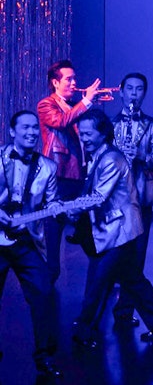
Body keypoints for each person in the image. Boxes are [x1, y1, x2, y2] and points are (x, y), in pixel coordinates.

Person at [68, 109, 153, 348]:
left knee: (99, 280)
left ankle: (84, 330)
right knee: (131, 278)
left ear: (103, 133)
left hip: (118, 231)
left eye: (87, 133)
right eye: (80, 133)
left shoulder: (111, 159)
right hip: (113, 229)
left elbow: (98, 197)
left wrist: (69, 208)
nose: (83, 138)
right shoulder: (98, 155)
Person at [0, 111, 61, 377]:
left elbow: (52, 202)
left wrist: (61, 208)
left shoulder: (48, 166)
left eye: (35, 128)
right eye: (25, 127)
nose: (32, 133)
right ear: (12, 131)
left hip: (27, 241)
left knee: (44, 293)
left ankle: (44, 355)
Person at [110, 73, 153, 327]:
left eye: (139, 89)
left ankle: (124, 309)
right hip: (114, 199)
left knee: (138, 255)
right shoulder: (109, 124)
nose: (134, 93)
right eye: (129, 88)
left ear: (144, 93)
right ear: (121, 91)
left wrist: (141, 155)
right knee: (113, 255)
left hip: (141, 196)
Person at [37, 60, 101, 282]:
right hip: (59, 175)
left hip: (79, 175)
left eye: (74, 78)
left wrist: (89, 105)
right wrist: (86, 101)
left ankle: (103, 272)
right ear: (55, 83)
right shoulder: (46, 104)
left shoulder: (75, 105)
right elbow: (61, 121)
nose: (74, 82)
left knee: (86, 227)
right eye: (69, 79)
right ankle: (49, 277)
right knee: (54, 229)